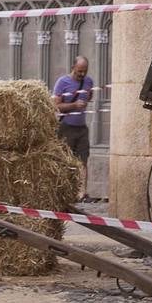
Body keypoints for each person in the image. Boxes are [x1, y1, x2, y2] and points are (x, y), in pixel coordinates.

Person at [53, 56, 95, 202]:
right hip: (66, 127)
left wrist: (84, 102)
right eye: (79, 71)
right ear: (73, 68)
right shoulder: (62, 82)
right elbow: (56, 106)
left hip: (82, 127)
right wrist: (74, 105)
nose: (82, 74)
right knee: (65, 161)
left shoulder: (88, 82)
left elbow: (89, 96)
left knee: (83, 161)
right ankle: (63, 192)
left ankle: (82, 194)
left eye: (84, 71)